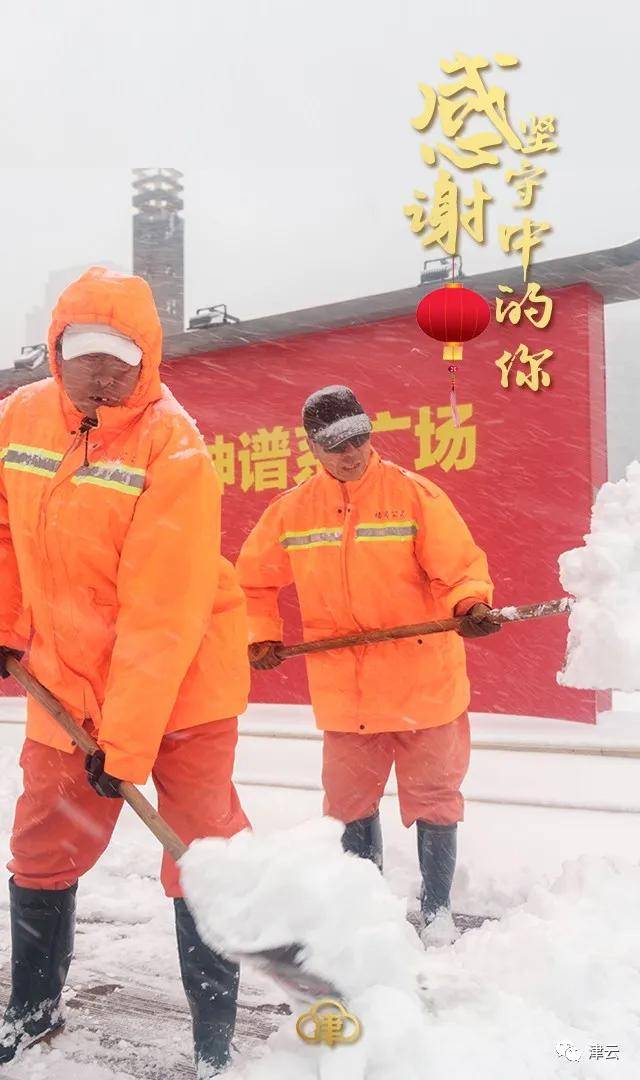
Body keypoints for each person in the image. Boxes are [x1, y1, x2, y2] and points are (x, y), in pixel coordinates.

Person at [0, 267, 250, 1074]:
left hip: (182, 690)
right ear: (56, 351)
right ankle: (32, 1011)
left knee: (201, 852)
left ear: (150, 359)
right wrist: (5, 625)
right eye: (85, 353)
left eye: (123, 357)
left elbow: (162, 611)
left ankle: (214, 1042)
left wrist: (130, 741)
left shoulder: (173, 447)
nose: (103, 373)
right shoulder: (18, 421)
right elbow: (2, 531)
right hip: (64, 680)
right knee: (42, 845)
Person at [236, 385, 499, 944]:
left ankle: (436, 911)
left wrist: (470, 603)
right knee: (350, 806)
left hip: (422, 684)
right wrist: (260, 635)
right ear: (311, 447)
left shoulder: (413, 496)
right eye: (335, 445)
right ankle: (366, 910)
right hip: (345, 694)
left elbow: (459, 567)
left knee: (435, 801)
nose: (349, 453)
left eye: (357, 439)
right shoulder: (292, 511)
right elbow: (252, 582)